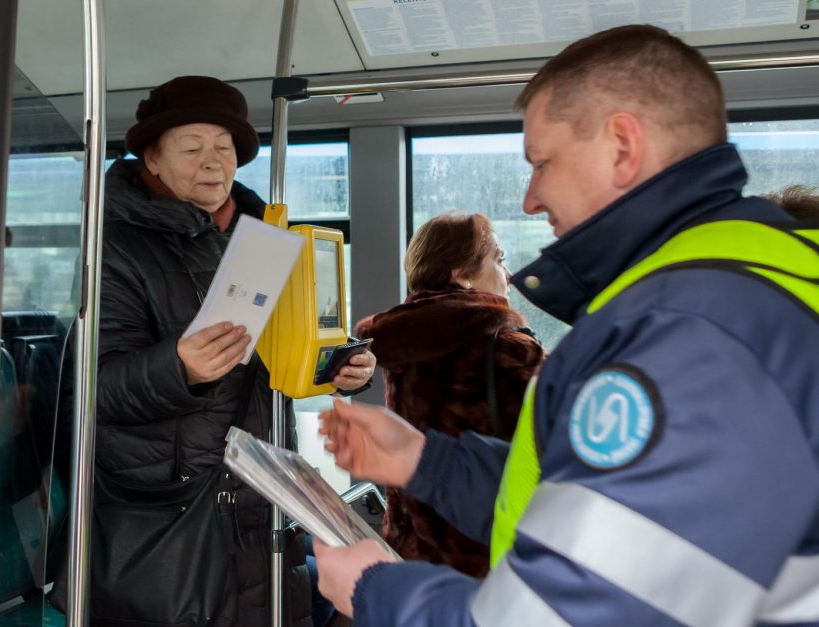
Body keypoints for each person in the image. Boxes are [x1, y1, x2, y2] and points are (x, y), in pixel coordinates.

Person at [312, 25, 819, 626]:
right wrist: (432, 463)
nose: (529, 198)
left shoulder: (685, 329)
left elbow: (567, 616)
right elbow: (610, 507)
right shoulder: (769, 272)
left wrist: (376, 590)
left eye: (542, 162)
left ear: (623, 147)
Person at [95, 75, 376, 626]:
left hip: (265, 487)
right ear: (151, 157)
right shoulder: (113, 247)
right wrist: (177, 369)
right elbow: (94, 388)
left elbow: (289, 344)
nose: (212, 161)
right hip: (178, 507)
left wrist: (341, 366)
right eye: (192, 147)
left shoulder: (268, 238)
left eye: (224, 147)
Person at [354, 212, 544, 577]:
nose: (508, 275)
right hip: (482, 557)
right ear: (462, 274)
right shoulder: (509, 348)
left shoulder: (401, 343)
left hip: (408, 549)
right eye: (498, 259)